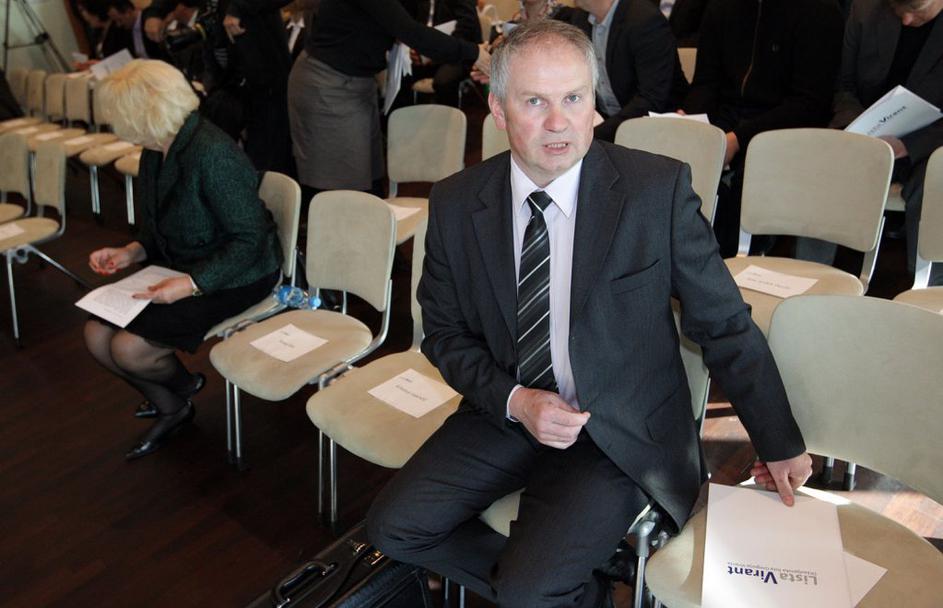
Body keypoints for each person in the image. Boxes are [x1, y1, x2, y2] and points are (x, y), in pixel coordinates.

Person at [367, 20, 811, 608]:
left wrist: (778, 441)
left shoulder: (655, 191)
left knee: (528, 591)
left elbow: (725, 324)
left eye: (574, 98)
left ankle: (546, 589)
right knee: (392, 530)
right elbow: (445, 334)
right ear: (497, 110)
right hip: (509, 410)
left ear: (595, 105)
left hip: (618, 427)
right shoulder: (455, 202)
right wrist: (515, 401)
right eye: (535, 102)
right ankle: (580, 591)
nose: (559, 122)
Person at [84, 60, 282, 461]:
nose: (113, 125)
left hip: (237, 275)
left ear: (142, 114)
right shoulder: (157, 149)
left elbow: (251, 240)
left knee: (129, 350)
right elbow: (160, 223)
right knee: (95, 336)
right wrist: (131, 251)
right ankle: (173, 404)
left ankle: (180, 390)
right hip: (185, 266)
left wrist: (192, 284)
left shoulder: (212, 153)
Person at [680, 0, 844, 257]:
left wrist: (738, 138)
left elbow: (809, 105)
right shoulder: (721, 7)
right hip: (725, 123)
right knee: (672, 163)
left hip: (783, 132)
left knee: (745, 184)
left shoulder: (820, 11)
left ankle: (730, 262)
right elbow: (706, 83)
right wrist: (690, 120)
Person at [799, 0, 943, 285]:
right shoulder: (865, 10)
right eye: (899, 9)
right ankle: (807, 275)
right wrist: (861, 132)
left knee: (935, 181)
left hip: (927, 144)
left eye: (917, 11)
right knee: (823, 164)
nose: (906, 19)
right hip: (865, 133)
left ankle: (928, 288)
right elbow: (844, 87)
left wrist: (908, 144)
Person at [287, 0, 488, 201]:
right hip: (329, 87)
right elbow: (410, 30)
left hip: (358, 84)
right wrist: (473, 53)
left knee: (371, 182)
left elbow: (400, 25)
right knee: (345, 191)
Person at [568, 0, 689, 142]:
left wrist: (594, 135)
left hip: (658, 130)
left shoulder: (644, 19)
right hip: (609, 125)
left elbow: (652, 99)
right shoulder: (581, 18)